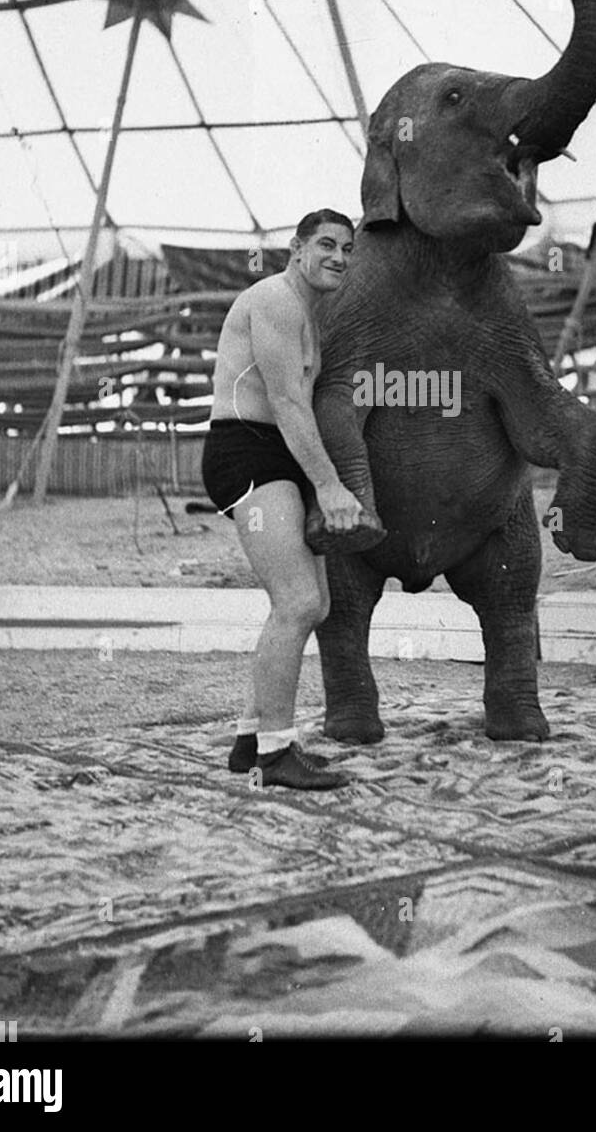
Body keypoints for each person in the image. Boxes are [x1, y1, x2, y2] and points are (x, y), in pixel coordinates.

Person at [202, 209, 368, 790]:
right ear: (296, 249)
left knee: (313, 602)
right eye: (326, 245)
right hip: (246, 453)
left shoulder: (308, 316)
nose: (339, 258)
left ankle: (250, 739)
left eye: (348, 249)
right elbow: (287, 402)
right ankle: (276, 753)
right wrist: (327, 485)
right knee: (296, 601)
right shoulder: (274, 298)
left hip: (278, 454)